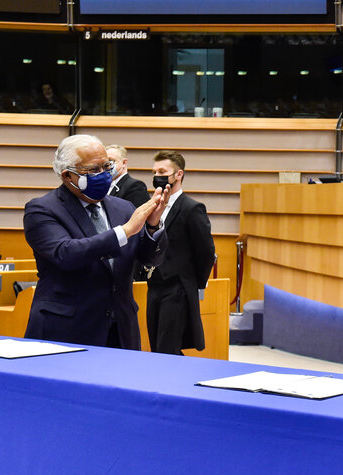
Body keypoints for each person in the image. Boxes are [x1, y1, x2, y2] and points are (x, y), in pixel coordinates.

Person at [23, 134, 169, 350]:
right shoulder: (42, 210)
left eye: (107, 166)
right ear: (67, 175)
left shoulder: (123, 207)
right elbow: (67, 254)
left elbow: (151, 258)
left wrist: (152, 226)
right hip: (66, 330)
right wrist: (126, 231)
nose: (104, 175)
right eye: (93, 170)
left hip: (121, 330)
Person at [146, 150, 216, 355]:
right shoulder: (151, 206)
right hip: (154, 284)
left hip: (177, 286)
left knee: (168, 347)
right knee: (156, 345)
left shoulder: (191, 208)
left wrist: (196, 284)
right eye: (154, 171)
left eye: (162, 171)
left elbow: (205, 251)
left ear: (178, 174)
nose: (157, 175)